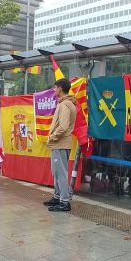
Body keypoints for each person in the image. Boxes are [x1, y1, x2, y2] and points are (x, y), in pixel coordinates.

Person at [43, 78, 77, 212]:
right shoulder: (65, 104)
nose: (54, 90)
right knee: (57, 173)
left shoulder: (64, 105)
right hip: (59, 144)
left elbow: (63, 127)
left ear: (60, 89)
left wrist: (52, 137)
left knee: (61, 174)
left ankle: (64, 202)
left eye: (55, 87)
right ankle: (57, 198)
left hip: (60, 144)